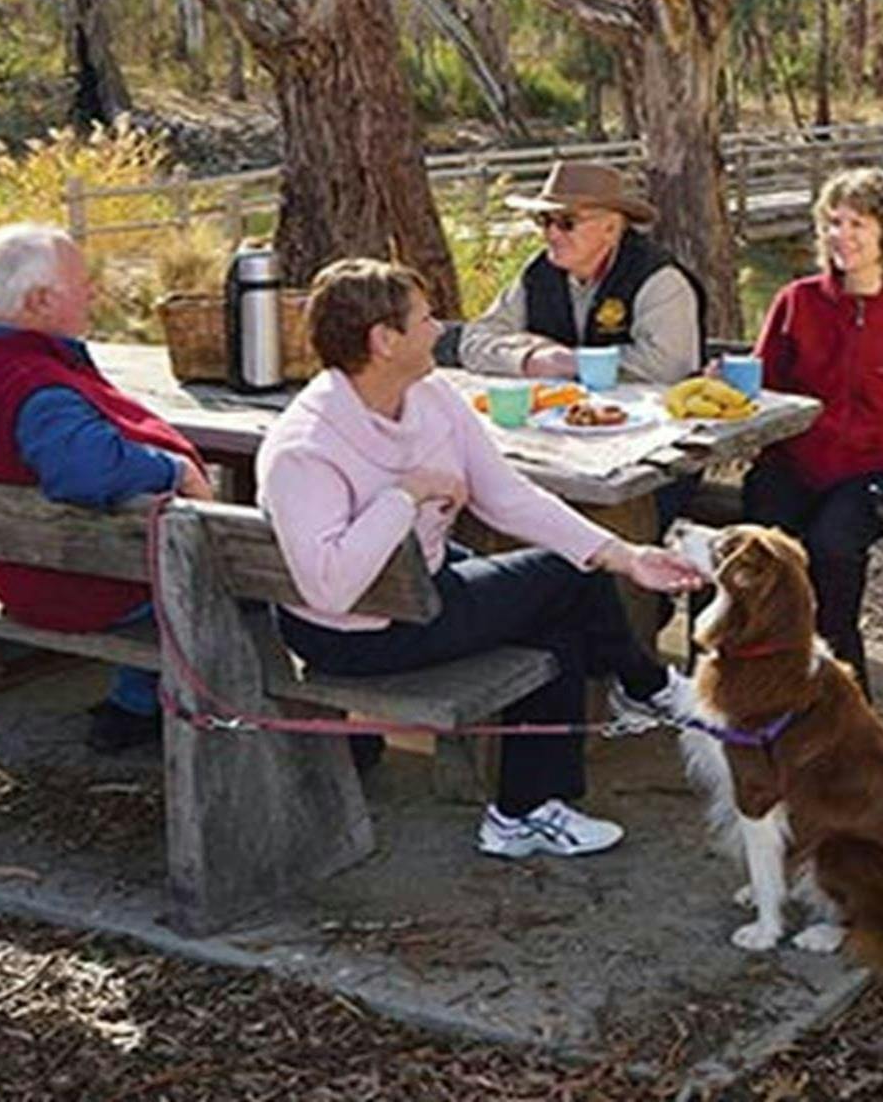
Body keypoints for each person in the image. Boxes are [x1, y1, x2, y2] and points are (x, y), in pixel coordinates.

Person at [258, 257, 703, 860]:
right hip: (354, 633)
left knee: (558, 609)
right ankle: (631, 693)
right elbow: (331, 589)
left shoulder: (431, 394)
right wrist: (406, 493)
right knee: (559, 577)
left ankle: (533, 803)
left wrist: (625, 555)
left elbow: (507, 496)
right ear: (384, 341)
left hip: (423, 587)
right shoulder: (303, 448)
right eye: (423, 319)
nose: (440, 328)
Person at [0, 222, 213, 754]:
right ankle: (190, 711)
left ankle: (135, 702)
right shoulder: (33, 389)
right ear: (37, 302)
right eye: (82, 284)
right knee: (242, 574)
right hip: (76, 585)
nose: (93, 293)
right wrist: (178, 471)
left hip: (19, 569)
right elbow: (87, 471)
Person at [743, 168, 883, 697]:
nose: (840, 235)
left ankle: (845, 697)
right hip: (793, 463)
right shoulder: (796, 300)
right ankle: (751, 681)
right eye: (833, 222)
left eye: (858, 224)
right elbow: (762, 386)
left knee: (831, 549)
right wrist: (731, 385)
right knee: (754, 552)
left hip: (876, 473)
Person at [439, 160, 704, 385]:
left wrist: (570, 362)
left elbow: (669, 368)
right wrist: (528, 359)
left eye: (567, 222)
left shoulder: (659, 279)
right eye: (544, 221)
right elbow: (473, 340)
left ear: (611, 229)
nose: (551, 233)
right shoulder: (538, 273)